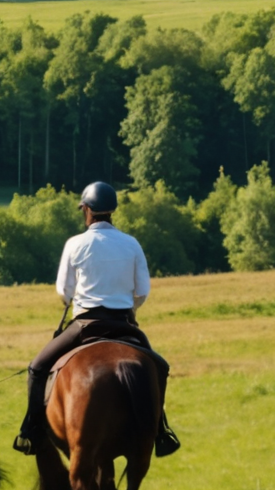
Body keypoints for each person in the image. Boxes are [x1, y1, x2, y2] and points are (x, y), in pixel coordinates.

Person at [12, 182, 180, 458]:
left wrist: (72, 302)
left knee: (37, 367)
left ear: (87, 210)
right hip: (125, 324)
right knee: (159, 367)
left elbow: (63, 292)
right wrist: (131, 308)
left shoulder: (75, 244)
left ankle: (30, 430)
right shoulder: (131, 243)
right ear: (111, 211)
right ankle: (161, 431)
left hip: (85, 324)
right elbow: (143, 291)